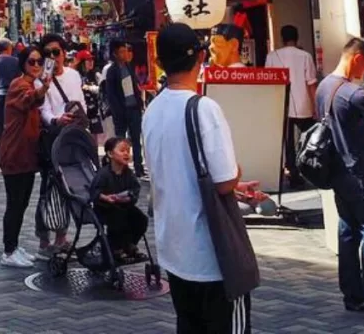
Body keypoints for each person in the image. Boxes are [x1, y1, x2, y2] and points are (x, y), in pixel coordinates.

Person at [143, 23, 250, 334]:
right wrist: (236, 175)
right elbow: (223, 181)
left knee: (189, 324)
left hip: (174, 248)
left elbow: (169, 169)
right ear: (201, 56)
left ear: (160, 62)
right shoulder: (203, 107)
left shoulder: (153, 109)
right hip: (210, 252)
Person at [317, 37, 364, 321]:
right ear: (357, 57)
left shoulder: (325, 86)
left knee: (348, 234)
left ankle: (354, 297)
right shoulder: (354, 92)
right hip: (359, 174)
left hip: (338, 175)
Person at [0, 45, 50, 267]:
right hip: (15, 155)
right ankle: (9, 251)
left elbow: (34, 100)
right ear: (23, 63)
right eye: (32, 61)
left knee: (21, 203)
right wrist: (43, 88)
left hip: (25, 155)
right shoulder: (20, 84)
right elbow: (29, 99)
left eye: (40, 61)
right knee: (15, 204)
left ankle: (14, 247)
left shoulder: (29, 83)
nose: (36, 65)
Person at [37, 34, 84, 252]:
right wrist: (56, 120)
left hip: (74, 138)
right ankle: (44, 239)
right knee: (48, 187)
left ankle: (62, 236)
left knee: (69, 186)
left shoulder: (74, 75)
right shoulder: (41, 80)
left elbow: (80, 101)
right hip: (53, 137)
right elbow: (43, 109)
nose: (53, 57)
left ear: (64, 53)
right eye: (48, 54)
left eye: (56, 52)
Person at [265, 25, 318, 188]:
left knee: (288, 142)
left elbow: (269, 83)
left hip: (282, 104)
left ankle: (293, 174)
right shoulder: (305, 56)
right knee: (310, 137)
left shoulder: (272, 56)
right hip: (304, 104)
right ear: (297, 38)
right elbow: (311, 84)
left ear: (282, 38)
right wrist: (316, 105)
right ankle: (311, 168)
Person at [90, 137, 147, 261]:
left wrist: (129, 198)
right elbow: (94, 192)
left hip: (123, 205)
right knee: (118, 219)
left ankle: (129, 244)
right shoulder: (103, 174)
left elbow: (135, 189)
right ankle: (116, 249)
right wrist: (105, 197)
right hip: (105, 208)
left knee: (141, 219)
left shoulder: (128, 173)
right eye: (122, 150)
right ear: (110, 154)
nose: (126, 153)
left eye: (128, 150)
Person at [104, 40, 145, 177]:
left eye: (125, 51)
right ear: (115, 54)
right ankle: (122, 167)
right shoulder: (111, 71)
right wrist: (117, 112)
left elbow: (134, 86)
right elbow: (111, 94)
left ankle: (138, 167)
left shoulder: (129, 66)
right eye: (121, 51)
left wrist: (139, 103)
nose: (125, 54)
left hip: (133, 108)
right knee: (121, 141)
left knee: (136, 139)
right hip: (121, 111)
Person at [0, 38, 21, 137]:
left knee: (1, 124)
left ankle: (3, 147)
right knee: (14, 124)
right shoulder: (16, 61)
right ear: (8, 48)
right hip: (14, 95)